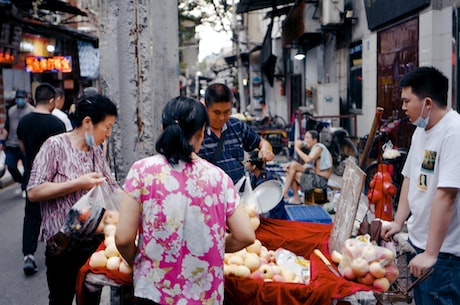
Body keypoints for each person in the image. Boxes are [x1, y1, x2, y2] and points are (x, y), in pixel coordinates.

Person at [115, 96, 255, 305]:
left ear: (163, 127)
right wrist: (212, 245)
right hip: (204, 295)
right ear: (201, 132)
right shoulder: (219, 178)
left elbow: (123, 239)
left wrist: (138, 263)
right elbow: (246, 235)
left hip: (153, 291)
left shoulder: (141, 171)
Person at [27, 94, 119, 305]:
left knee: (89, 300)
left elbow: (113, 188)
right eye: (107, 127)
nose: (108, 134)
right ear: (88, 122)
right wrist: (78, 183)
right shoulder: (55, 146)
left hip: (92, 244)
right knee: (61, 298)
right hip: (62, 244)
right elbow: (34, 191)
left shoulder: (96, 151)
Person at [381, 66, 460, 305]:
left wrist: (432, 253)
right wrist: (398, 221)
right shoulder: (420, 130)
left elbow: (446, 196)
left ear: (427, 102)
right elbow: (409, 178)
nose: (403, 107)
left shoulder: (454, 132)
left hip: (444, 256)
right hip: (419, 247)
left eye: (407, 101)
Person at [17, 83, 66, 275]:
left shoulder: (24, 122)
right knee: (54, 214)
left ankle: (28, 255)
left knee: (31, 215)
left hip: (31, 175)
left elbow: (22, 148)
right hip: (53, 179)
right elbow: (62, 154)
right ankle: (55, 252)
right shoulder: (57, 125)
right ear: (52, 101)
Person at [198, 83, 274, 184]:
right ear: (206, 107)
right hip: (212, 196)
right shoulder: (197, 132)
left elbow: (261, 142)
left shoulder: (237, 126)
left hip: (240, 195)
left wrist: (265, 149)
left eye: (226, 112)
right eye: (216, 112)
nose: (222, 117)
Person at [282, 129, 332, 204]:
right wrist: (291, 165)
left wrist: (297, 149)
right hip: (316, 176)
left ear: (315, 140)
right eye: (305, 138)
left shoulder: (318, 148)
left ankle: (288, 195)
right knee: (292, 166)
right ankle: (287, 194)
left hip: (320, 181)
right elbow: (306, 166)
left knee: (293, 173)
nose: (305, 140)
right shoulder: (314, 149)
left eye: (308, 138)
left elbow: (308, 160)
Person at [1, 89, 34, 197]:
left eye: (22, 98)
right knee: (10, 166)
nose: (20, 100)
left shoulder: (31, 111)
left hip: (25, 145)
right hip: (11, 144)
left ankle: (24, 187)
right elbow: (7, 127)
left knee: (26, 168)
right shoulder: (11, 110)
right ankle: (20, 181)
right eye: (18, 98)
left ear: (26, 98)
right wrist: (2, 141)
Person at [245, 150, 287, 219]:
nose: (246, 163)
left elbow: (264, 208)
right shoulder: (255, 177)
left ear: (254, 165)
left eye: (248, 161)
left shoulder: (265, 182)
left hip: (273, 216)